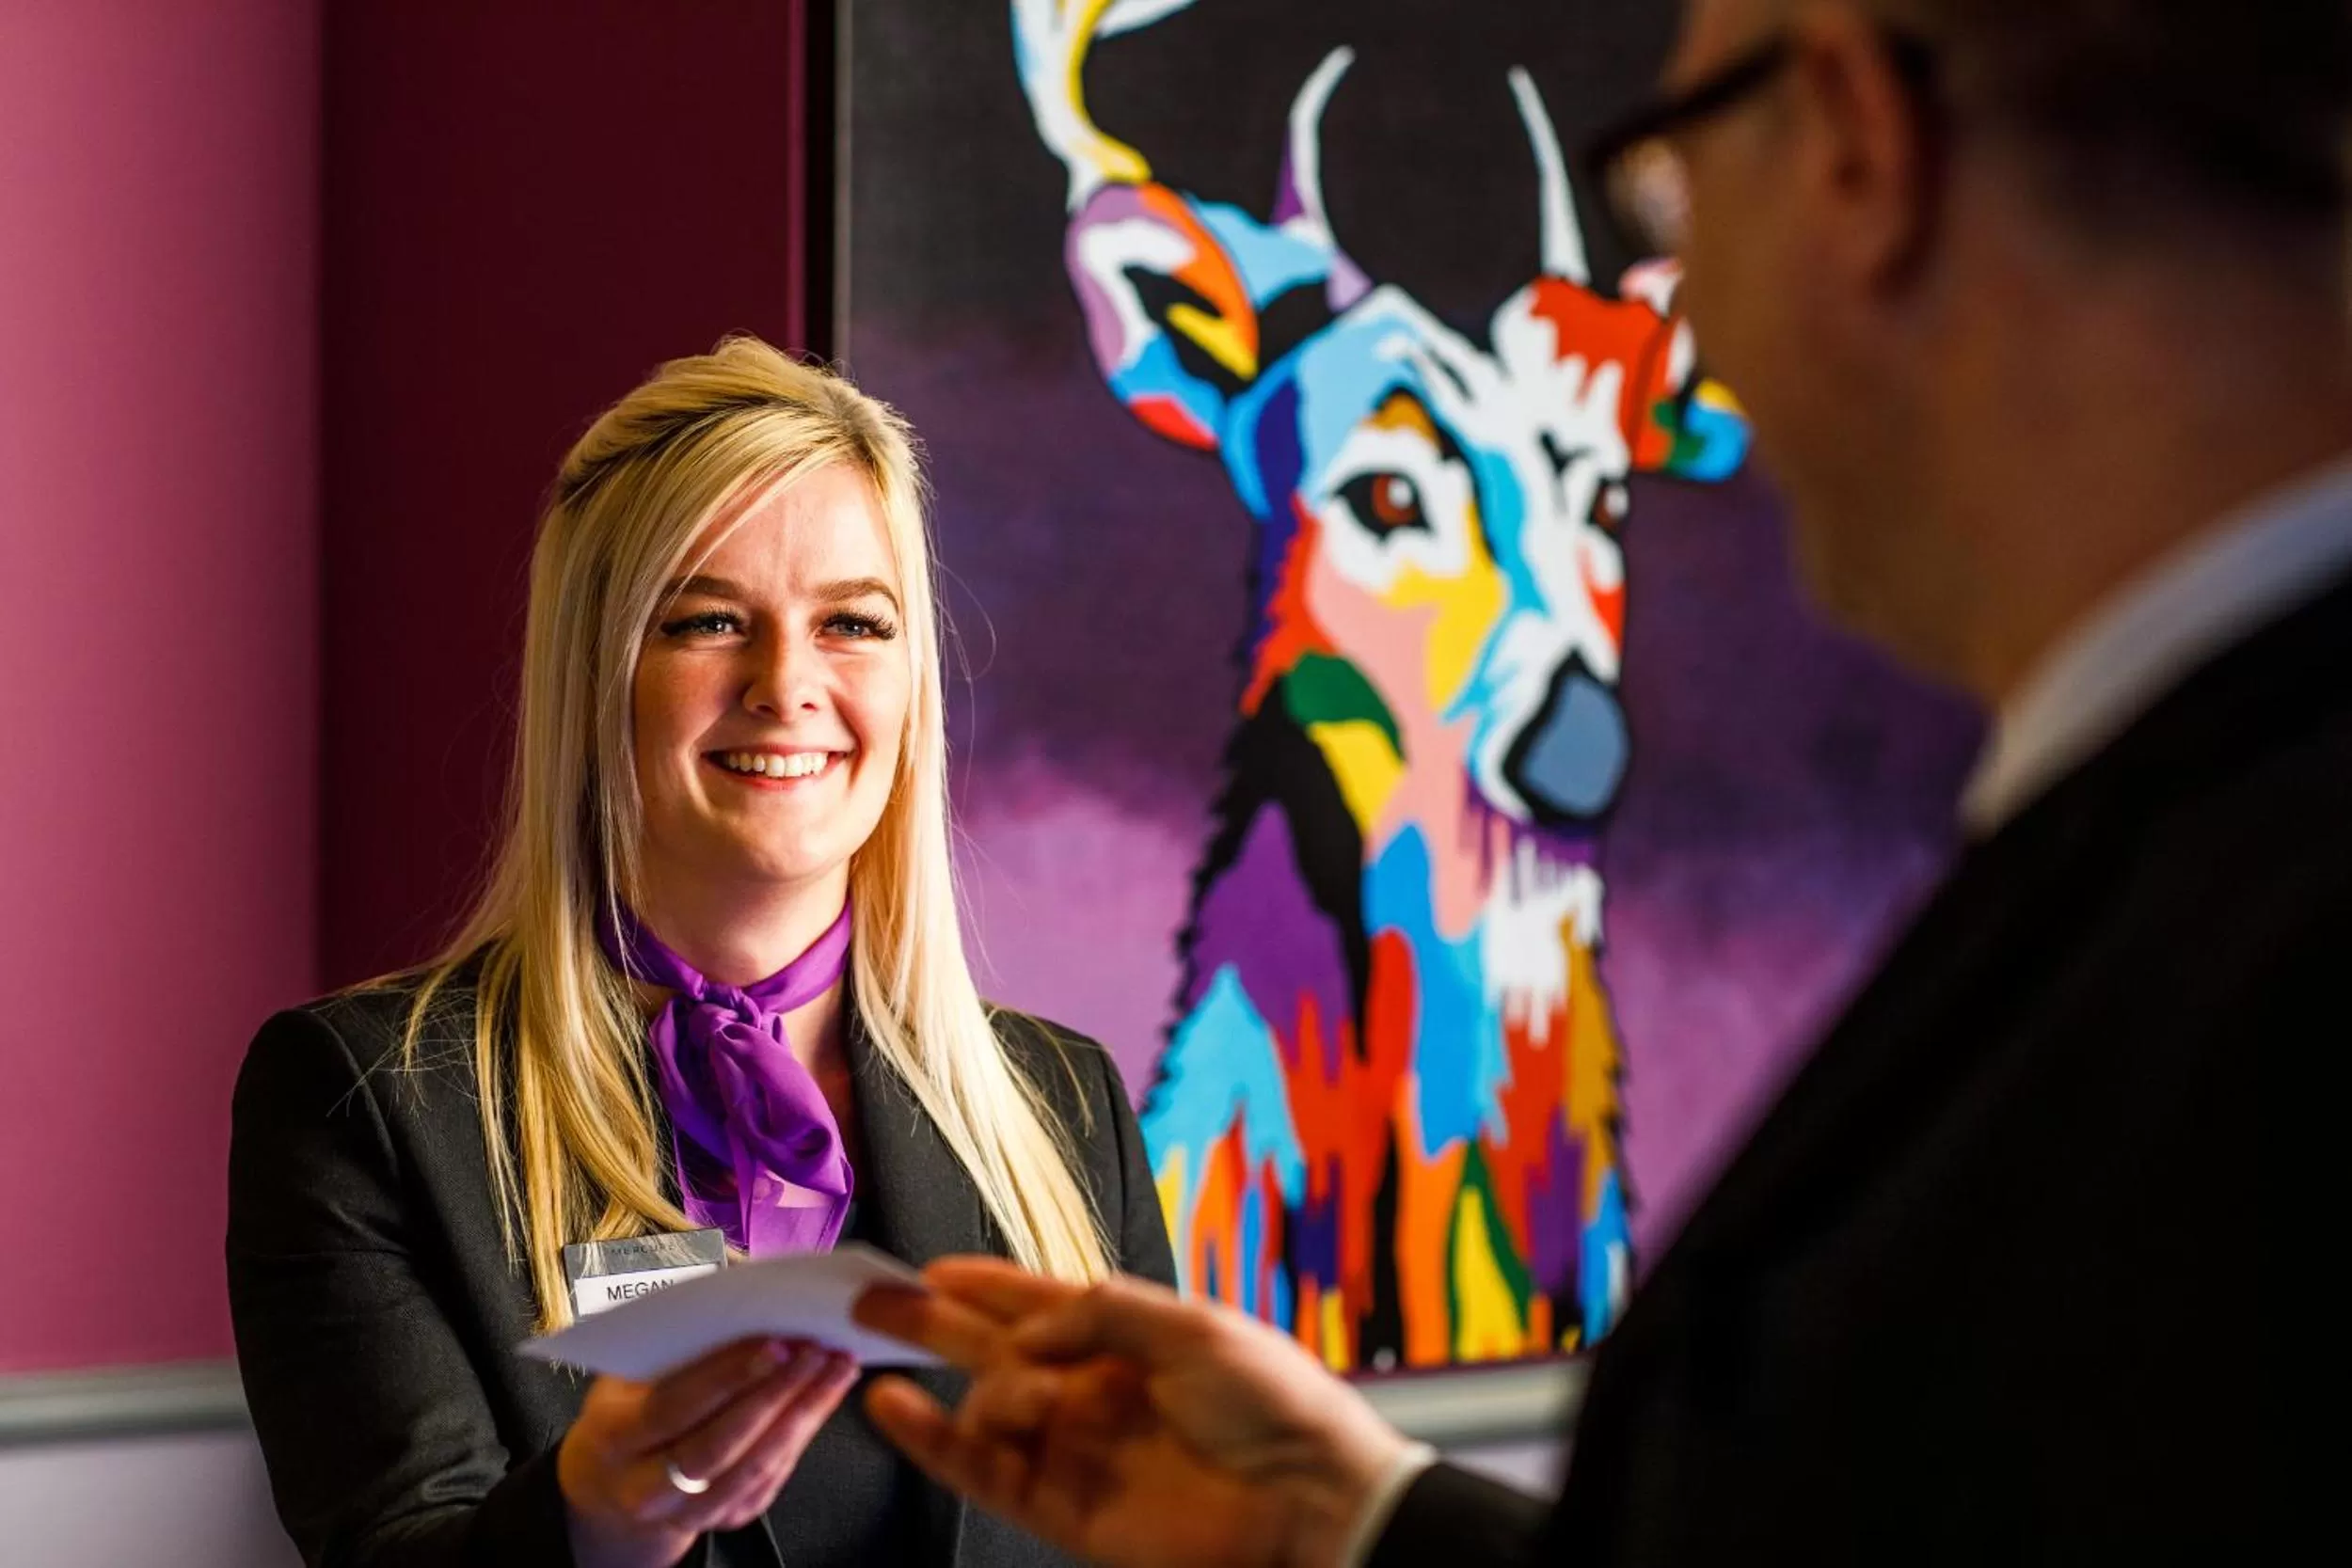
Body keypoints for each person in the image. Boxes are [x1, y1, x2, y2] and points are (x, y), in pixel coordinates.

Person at [850, 0, 2329, 1558]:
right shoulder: (2163, 857)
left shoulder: (2253, 934)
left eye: (1672, 181)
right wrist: (1348, 1524)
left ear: (1857, 144)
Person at [227, 337, 1176, 1568]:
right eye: (709, 620)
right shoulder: (365, 1100)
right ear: (599, 675)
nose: (789, 684)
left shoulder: (1065, 1107)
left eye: (852, 621)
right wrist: (599, 1516)